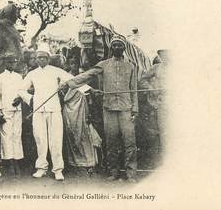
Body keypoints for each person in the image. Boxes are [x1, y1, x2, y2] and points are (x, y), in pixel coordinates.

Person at [63, 34, 138, 182]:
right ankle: (114, 172)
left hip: (126, 109)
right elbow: (87, 75)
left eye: (120, 45)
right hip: (108, 107)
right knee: (111, 142)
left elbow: (134, 89)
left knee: (130, 142)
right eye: (114, 45)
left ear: (124, 48)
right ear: (111, 48)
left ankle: (131, 174)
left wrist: (135, 109)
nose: (117, 47)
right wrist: (70, 82)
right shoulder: (103, 64)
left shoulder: (131, 66)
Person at [18, 46, 73, 181]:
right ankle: (41, 168)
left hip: (54, 109)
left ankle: (58, 170)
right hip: (38, 110)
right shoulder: (32, 74)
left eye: (44, 57)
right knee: (40, 139)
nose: (41, 59)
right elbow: (21, 90)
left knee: (56, 140)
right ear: (36, 60)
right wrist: (30, 99)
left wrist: (64, 84)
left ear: (48, 59)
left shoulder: (56, 71)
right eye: (39, 57)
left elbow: (71, 79)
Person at [0, 53, 24, 177]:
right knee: (6, 134)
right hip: (5, 109)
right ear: (5, 63)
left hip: (17, 109)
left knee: (17, 134)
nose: (13, 64)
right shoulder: (0, 77)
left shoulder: (19, 77)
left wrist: (20, 98)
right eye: (10, 62)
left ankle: (17, 159)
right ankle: (9, 161)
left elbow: (22, 91)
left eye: (15, 62)